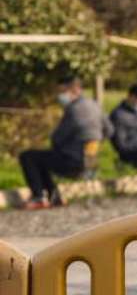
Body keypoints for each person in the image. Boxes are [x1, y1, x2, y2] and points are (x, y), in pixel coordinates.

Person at [18, 75, 113, 210]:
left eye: (62, 92)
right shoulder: (95, 105)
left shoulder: (74, 110)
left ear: (74, 90)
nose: (60, 96)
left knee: (28, 156)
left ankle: (39, 197)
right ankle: (54, 197)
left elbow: (57, 138)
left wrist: (60, 145)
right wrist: (94, 142)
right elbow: (109, 130)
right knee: (43, 158)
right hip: (91, 163)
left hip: (72, 163)